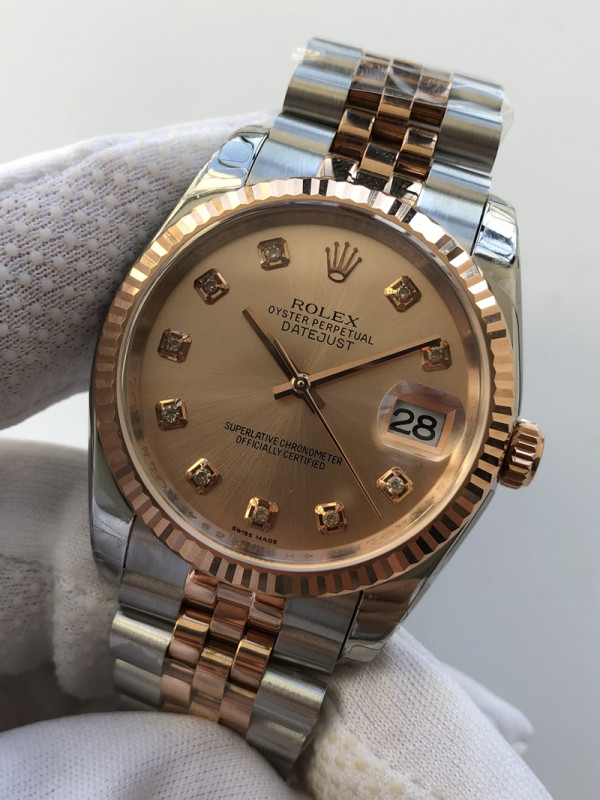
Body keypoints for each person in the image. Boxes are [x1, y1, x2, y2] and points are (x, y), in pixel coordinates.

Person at [0, 116, 552, 799]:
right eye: (299, 381)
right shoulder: (246, 181)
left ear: (507, 452)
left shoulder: (478, 259)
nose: (301, 385)